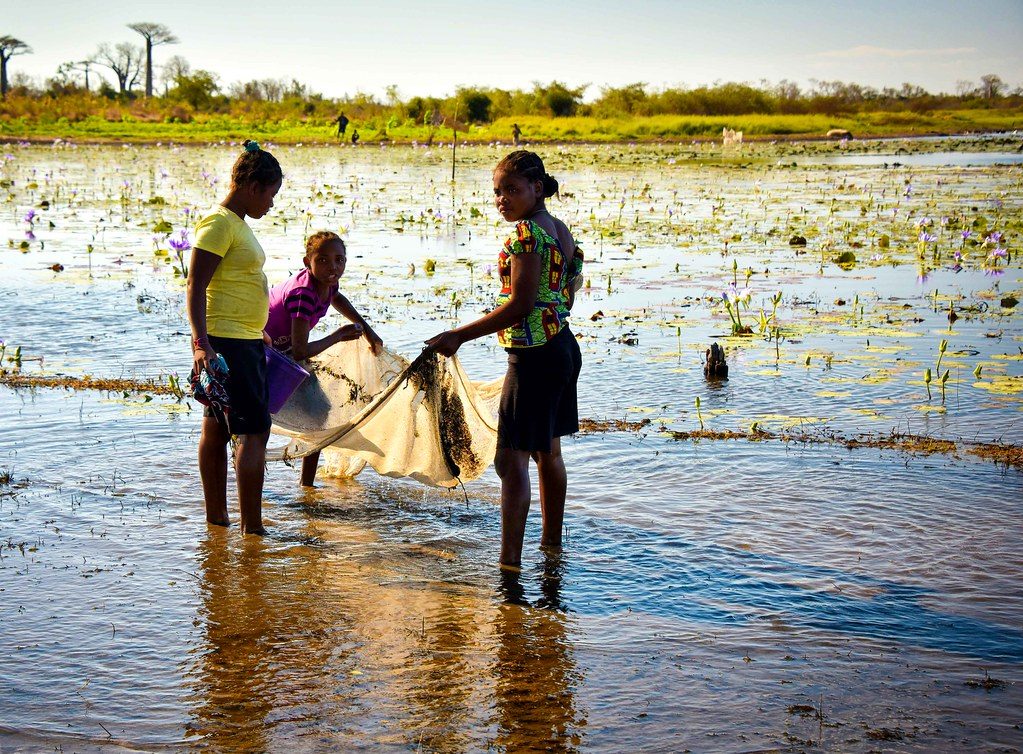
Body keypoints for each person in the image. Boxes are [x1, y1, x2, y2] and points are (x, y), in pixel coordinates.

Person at [426, 151, 583, 568]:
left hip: (534, 358)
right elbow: (568, 287)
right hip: (562, 348)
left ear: (537, 188)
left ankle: (509, 564)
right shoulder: (559, 229)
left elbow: (520, 305)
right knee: (548, 452)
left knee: (509, 459)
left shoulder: (527, 235)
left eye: (512, 190)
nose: (502, 199)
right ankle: (552, 547)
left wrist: (457, 335)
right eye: (497, 191)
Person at [187, 140, 283, 535]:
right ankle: (253, 528)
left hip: (237, 339)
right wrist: (201, 344)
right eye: (271, 195)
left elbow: (232, 284)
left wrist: (255, 329)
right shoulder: (220, 222)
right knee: (254, 432)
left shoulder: (234, 224)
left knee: (217, 425)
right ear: (253, 186)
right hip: (226, 345)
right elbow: (196, 284)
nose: (271, 205)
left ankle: (218, 521)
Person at [264, 230, 384, 486]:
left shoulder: (328, 283)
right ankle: (269, 479)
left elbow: (337, 298)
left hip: (282, 352)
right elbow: (300, 352)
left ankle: (306, 485)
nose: (333, 267)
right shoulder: (303, 295)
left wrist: (369, 331)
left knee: (319, 412)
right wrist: (338, 336)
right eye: (323, 260)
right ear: (308, 263)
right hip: (265, 353)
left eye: (339, 260)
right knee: (263, 421)